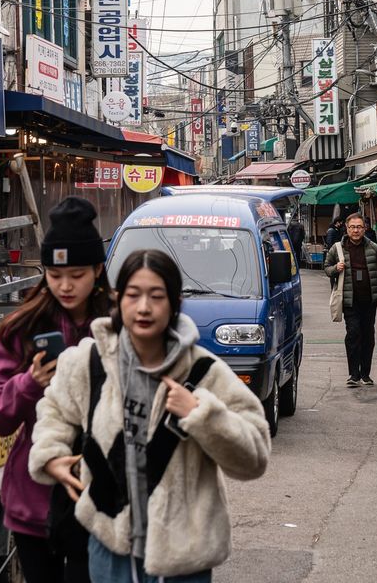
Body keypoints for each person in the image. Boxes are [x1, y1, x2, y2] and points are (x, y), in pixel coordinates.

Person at [29, 248, 271, 583]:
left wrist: (201, 414)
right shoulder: (90, 361)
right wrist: (51, 455)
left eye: (156, 296)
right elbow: (54, 409)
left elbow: (255, 455)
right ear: (118, 300)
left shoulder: (204, 372)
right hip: (108, 546)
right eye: (133, 295)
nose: (144, 307)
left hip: (183, 560)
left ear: (173, 303)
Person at [0, 196, 110, 583]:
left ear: (98, 270)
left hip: (102, 497)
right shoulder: (23, 327)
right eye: (54, 274)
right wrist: (28, 384)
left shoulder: (118, 324)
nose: (65, 285)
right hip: (33, 499)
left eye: (77, 274)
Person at [324, 211, 377, 388]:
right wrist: (336, 268)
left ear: (364, 229)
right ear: (346, 229)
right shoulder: (337, 248)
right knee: (353, 333)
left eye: (359, 227)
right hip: (349, 300)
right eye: (352, 227)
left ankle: (366, 374)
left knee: (368, 336)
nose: (356, 230)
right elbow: (326, 268)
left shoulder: (374, 248)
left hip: (370, 300)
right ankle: (353, 374)